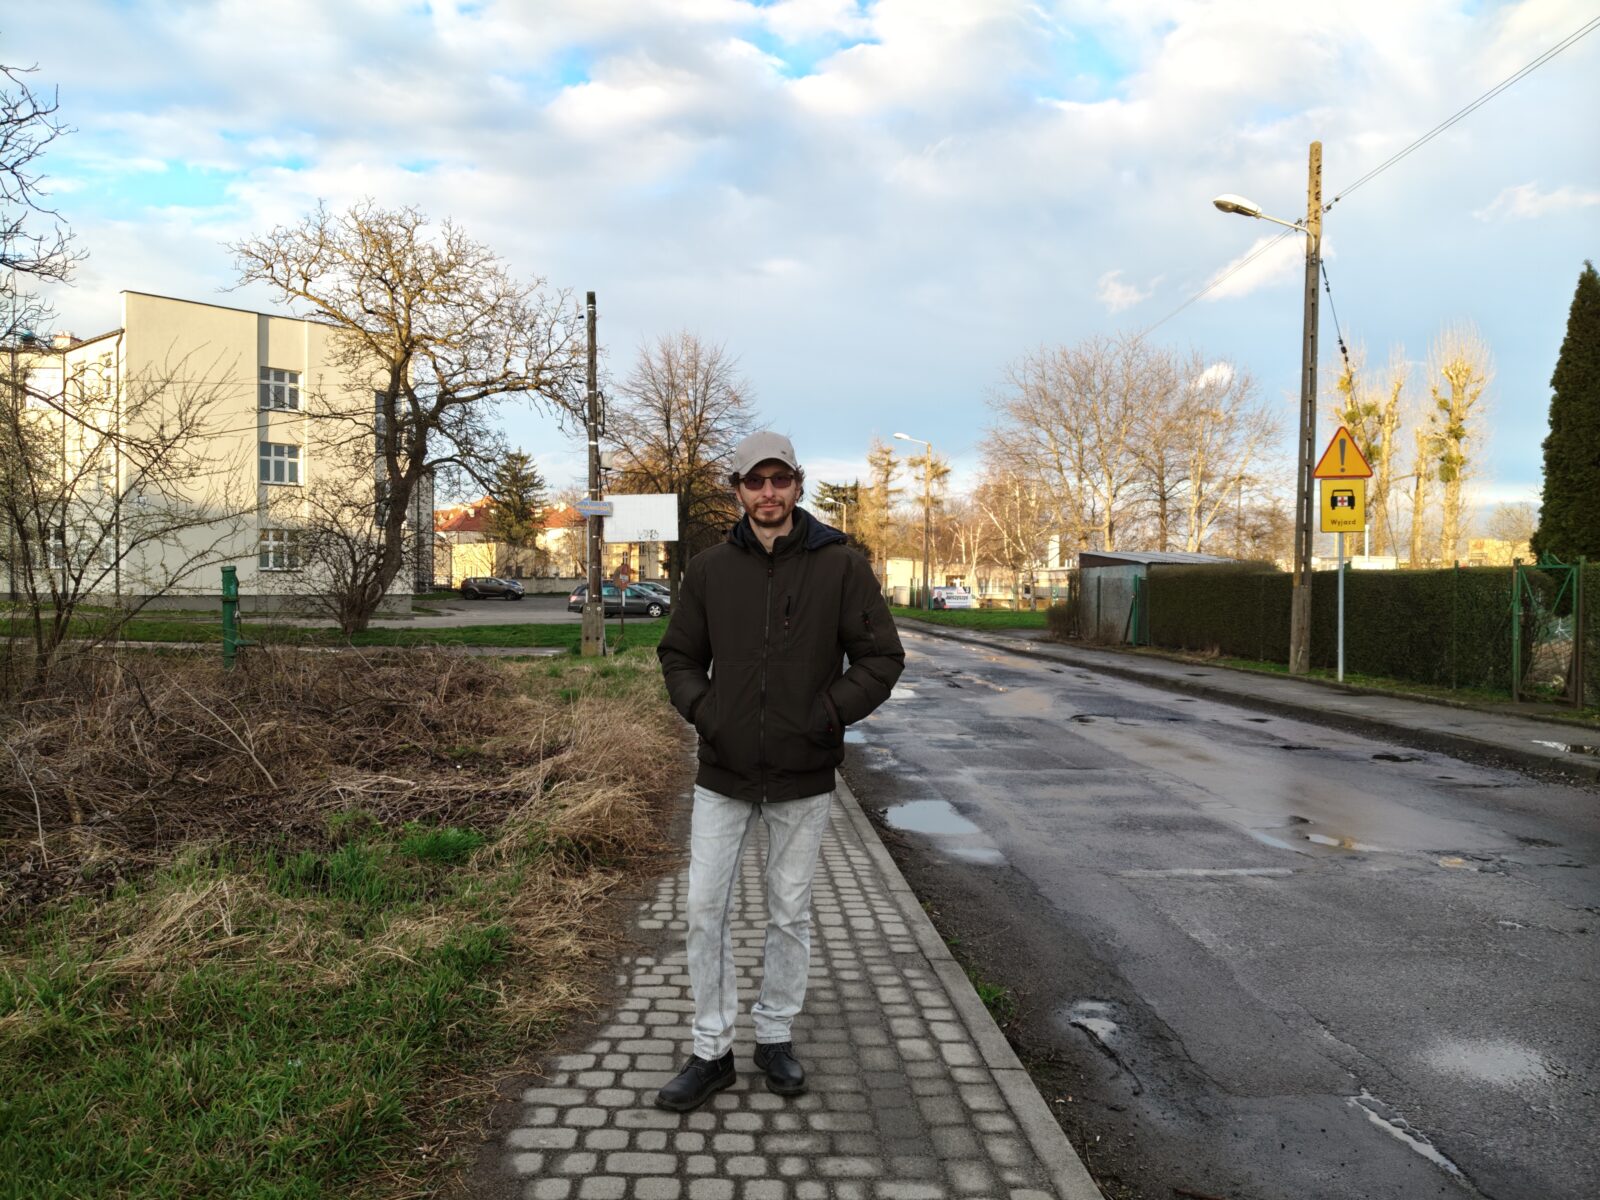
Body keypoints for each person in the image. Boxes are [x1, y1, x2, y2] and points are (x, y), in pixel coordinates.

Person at [654, 430, 905, 1112]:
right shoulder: (710, 570)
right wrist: (708, 713)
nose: (768, 493)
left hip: (803, 773)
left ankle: (773, 1036)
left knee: (789, 913)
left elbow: (882, 657)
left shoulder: (841, 565)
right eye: (755, 481)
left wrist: (827, 714)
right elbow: (678, 655)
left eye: (780, 479)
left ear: (798, 483)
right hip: (724, 772)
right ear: (737, 490)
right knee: (704, 911)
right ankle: (711, 1051)